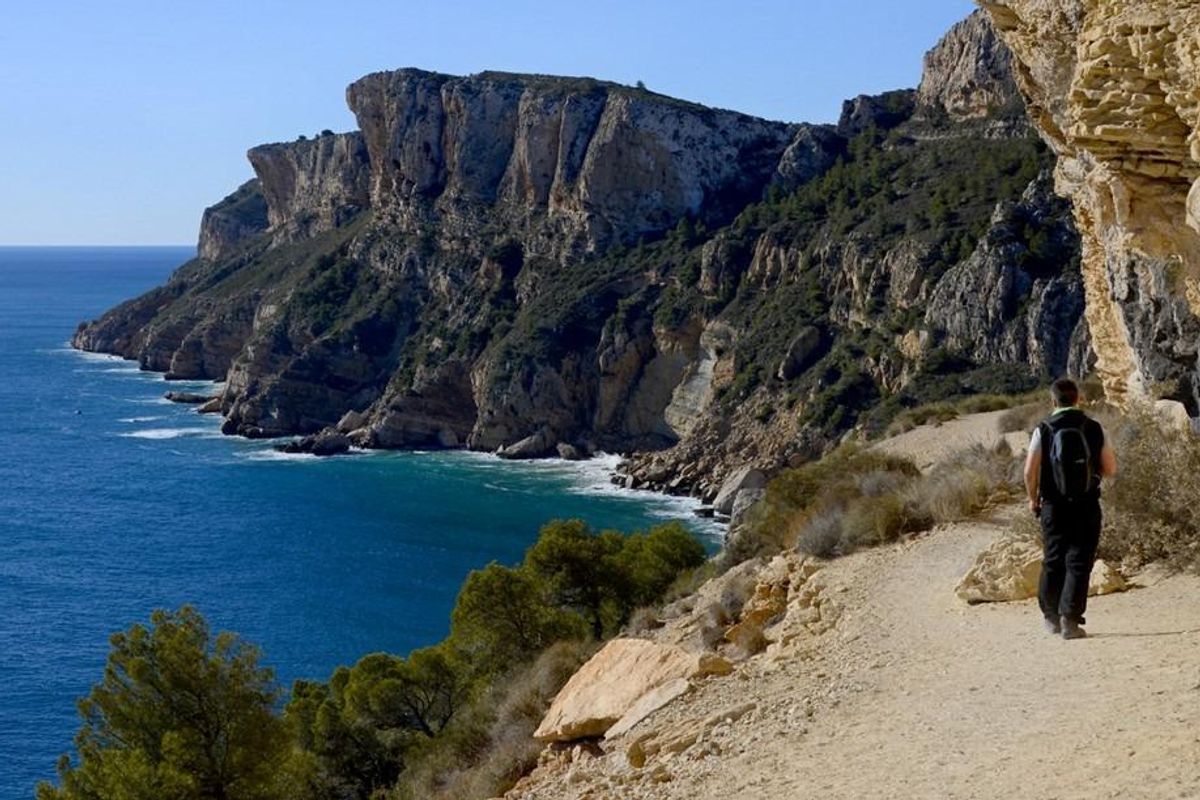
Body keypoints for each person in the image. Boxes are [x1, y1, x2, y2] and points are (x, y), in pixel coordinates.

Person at [1023, 378, 1117, 640]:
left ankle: (1050, 616)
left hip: (1053, 505)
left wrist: (1034, 500)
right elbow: (1110, 469)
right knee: (1079, 561)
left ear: (1053, 401)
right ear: (1078, 399)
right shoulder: (1095, 428)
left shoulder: (1044, 429)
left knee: (1053, 559)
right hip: (1087, 504)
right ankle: (1070, 620)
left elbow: (1030, 472)